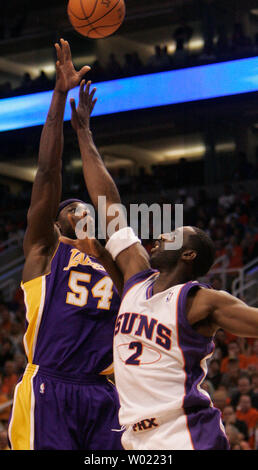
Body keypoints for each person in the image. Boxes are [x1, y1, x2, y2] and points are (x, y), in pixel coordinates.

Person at [60, 81, 258, 450]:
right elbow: (109, 204)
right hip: (135, 440)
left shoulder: (199, 300)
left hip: (185, 434)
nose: (162, 236)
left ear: (189, 255)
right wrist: (84, 133)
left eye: (174, 235)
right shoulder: (136, 277)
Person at [7, 39, 123, 451]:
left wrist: (85, 133)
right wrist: (59, 96)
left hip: (106, 391)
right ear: (56, 223)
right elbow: (46, 172)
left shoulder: (119, 258)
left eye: (84, 206)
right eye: (71, 209)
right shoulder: (47, 250)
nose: (81, 210)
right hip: (51, 386)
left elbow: (112, 203)